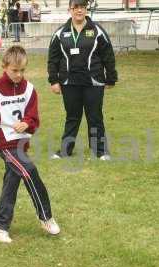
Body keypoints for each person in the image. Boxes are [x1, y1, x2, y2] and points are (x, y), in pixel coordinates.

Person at [0, 46, 60, 243]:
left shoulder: (29, 89)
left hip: (20, 141)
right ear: (4, 66)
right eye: (14, 70)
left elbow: (33, 116)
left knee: (12, 179)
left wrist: (27, 122)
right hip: (0, 141)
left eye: (22, 70)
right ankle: (45, 217)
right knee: (29, 170)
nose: (19, 75)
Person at [47, 0, 117, 160]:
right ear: (70, 10)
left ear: (86, 9)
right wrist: (54, 80)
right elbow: (53, 59)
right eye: (76, 7)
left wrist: (111, 78)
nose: (79, 10)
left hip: (93, 81)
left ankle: (100, 151)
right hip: (69, 82)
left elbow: (108, 55)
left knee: (95, 116)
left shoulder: (97, 31)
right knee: (72, 117)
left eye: (83, 7)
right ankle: (66, 150)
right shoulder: (60, 33)